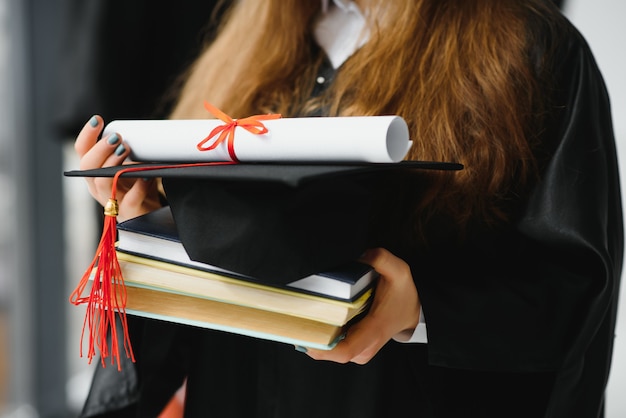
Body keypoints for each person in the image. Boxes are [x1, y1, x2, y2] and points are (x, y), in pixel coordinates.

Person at [73, 0, 623, 417]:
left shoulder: (530, 47)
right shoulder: (245, 48)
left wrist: (421, 310)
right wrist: (147, 223)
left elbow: (571, 283)